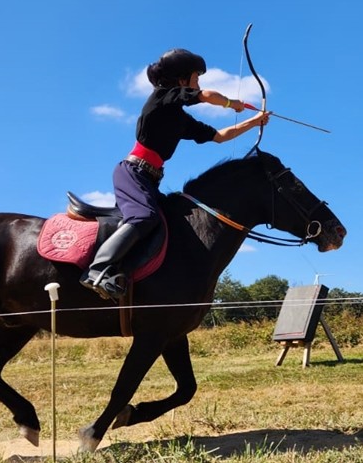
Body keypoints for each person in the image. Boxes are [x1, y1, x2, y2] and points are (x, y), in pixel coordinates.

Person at [81, 48, 270, 300]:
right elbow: (206, 96)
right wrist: (230, 103)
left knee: (167, 221)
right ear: (182, 80)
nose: (198, 83)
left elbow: (219, 136)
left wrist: (254, 121)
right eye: (196, 77)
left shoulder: (180, 119)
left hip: (149, 178)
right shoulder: (161, 97)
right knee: (144, 217)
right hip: (133, 172)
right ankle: (97, 269)